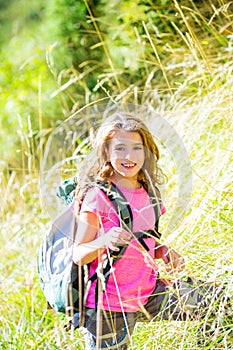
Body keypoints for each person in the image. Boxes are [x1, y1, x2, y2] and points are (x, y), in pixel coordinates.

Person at [72, 112, 227, 349]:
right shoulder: (97, 197)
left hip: (150, 291)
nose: (129, 156)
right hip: (110, 307)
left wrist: (163, 251)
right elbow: (79, 254)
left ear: (146, 152)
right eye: (120, 148)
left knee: (221, 302)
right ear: (106, 152)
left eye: (137, 148)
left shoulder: (149, 194)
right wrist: (104, 240)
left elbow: (145, 242)